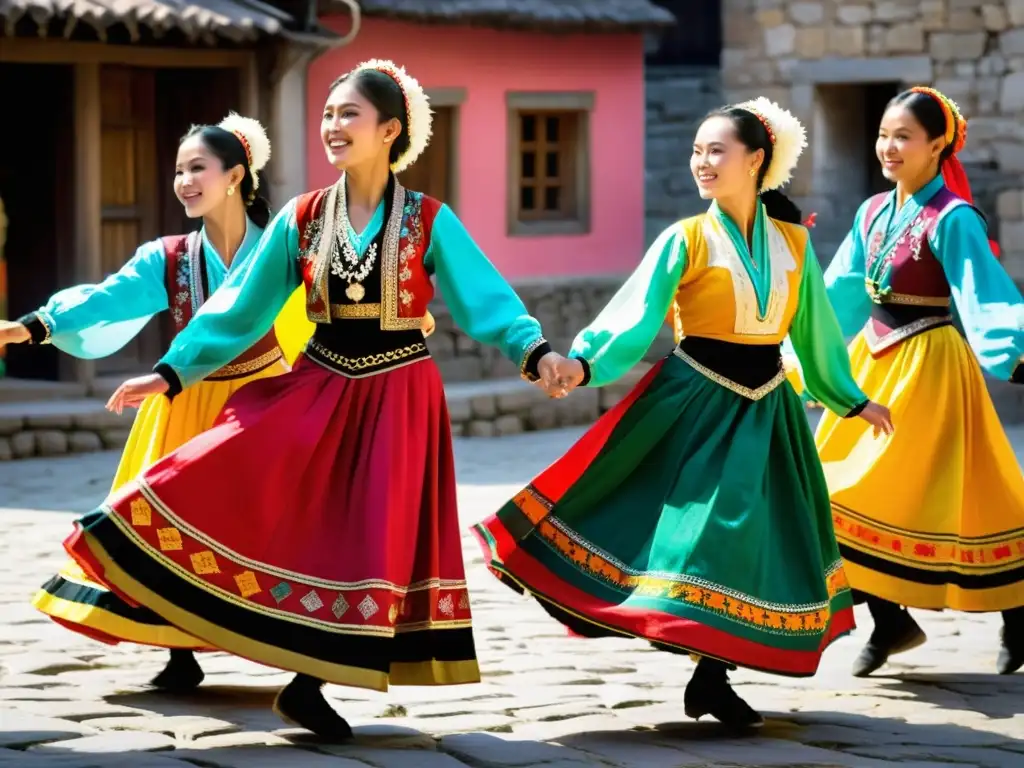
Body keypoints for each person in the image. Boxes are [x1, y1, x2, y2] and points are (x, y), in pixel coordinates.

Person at [59, 59, 569, 740]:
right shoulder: (301, 217)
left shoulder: (427, 220)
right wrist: (172, 372)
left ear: (390, 130)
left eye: (348, 114)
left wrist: (535, 353)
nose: (332, 125)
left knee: (365, 542)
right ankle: (188, 598)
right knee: (247, 483)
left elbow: (486, 300)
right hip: (319, 381)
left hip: (398, 396)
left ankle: (308, 685)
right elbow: (239, 309)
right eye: (327, 114)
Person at [473, 98, 894, 729]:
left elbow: (815, 332)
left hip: (765, 409)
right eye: (697, 150)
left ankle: (710, 677)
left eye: (716, 150)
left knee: (747, 539)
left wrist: (851, 398)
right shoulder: (687, 239)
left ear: (756, 161)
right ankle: (699, 660)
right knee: (700, 536)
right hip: (694, 402)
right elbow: (633, 316)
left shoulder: (795, 245)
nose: (702, 162)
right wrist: (582, 364)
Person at [0, 115, 309, 691]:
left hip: (263, 402)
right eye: (178, 171)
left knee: (269, 521)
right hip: (185, 404)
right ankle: (177, 648)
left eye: (197, 168)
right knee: (168, 524)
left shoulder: (281, 248)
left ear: (236, 176)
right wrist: (28, 328)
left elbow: (328, 295)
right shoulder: (166, 257)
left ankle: (297, 646)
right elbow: (105, 299)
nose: (184, 181)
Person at [786, 87, 1024, 677]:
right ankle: (890, 620)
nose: (888, 147)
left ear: (937, 144)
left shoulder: (954, 217)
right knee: (825, 495)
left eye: (903, 137)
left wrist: (1012, 352)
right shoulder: (871, 213)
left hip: (931, 369)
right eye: (883, 135)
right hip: (872, 365)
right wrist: (797, 359)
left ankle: (1018, 614)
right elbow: (836, 295)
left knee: (952, 500)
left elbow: (982, 292)